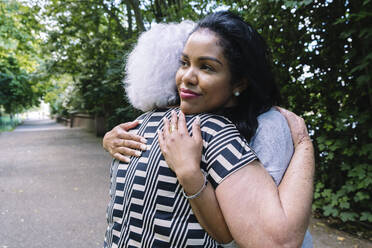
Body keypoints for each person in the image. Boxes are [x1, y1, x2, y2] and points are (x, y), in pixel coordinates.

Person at [104, 11, 314, 248]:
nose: (186, 78)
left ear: (240, 82)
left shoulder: (264, 125)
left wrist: (304, 143)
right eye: (184, 63)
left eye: (207, 67)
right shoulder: (175, 126)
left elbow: (274, 241)